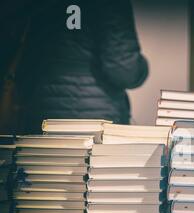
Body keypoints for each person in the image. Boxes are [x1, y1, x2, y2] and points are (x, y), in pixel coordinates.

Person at [16, 0, 148, 133]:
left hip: (42, 114)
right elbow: (125, 72)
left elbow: (24, 65)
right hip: (97, 118)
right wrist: (142, 68)